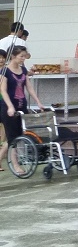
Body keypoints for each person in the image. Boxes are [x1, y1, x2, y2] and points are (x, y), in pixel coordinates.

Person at [0, 46, 46, 175]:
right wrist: (10, 106)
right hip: (9, 107)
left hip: (22, 105)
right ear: (13, 56)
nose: (23, 59)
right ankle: (16, 165)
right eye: (21, 56)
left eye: (24, 56)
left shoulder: (23, 70)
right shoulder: (5, 71)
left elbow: (29, 88)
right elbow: (3, 90)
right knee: (12, 137)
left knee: (21, 134)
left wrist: (38, 102)